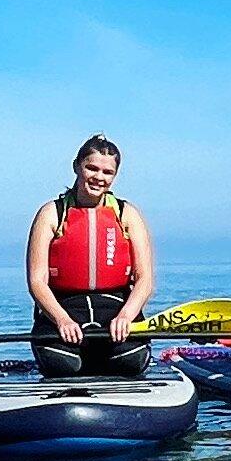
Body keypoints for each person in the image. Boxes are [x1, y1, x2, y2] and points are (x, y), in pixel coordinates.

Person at [25, 135, 160, 377]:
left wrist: (127, 316)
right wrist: (62, 320)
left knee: (129, 360)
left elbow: (144, 279)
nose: (99, 177)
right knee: (63, 364)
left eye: (107, 172)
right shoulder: (50, 214)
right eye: (92, 168)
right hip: (65, 308)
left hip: (115, 309)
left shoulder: (127, 214)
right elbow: (36, 280)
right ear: (77, 166)